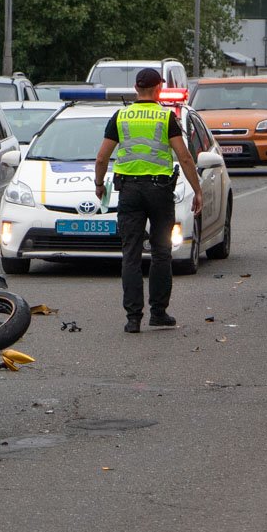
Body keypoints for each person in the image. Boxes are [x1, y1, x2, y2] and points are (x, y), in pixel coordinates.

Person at [95, 68, 203, 334]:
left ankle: (133, 318)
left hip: (129, 192)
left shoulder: (120, 116)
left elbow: (102, 157)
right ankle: (158, 312)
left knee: (130, 254)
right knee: (161, 252)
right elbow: (185, 157)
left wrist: (99, 185)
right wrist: (197, 190)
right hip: (159, 191)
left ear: (135, 88)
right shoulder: (166, 117)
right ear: (158, 89)